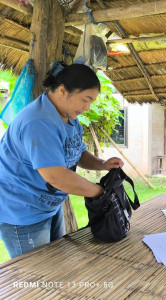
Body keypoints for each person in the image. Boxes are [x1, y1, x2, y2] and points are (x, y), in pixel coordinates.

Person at [0, 62, 124, 259]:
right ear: (62, 91)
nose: (87, 107)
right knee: (37, 280)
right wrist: (101, 193)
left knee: (57, 266)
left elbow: (78, 151)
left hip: (48, 206)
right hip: (22, 212)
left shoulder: (67, 116)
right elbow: (56, 176)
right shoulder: (39, 122)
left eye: (91, 102)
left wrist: (101, 164)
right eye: (86, 99)